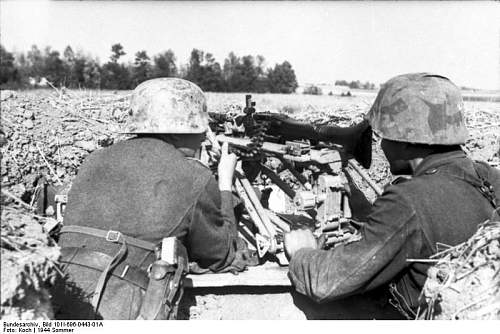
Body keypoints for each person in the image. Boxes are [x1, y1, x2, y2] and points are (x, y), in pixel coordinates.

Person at [284, 73, 500, 318]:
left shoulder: (408, 200)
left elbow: (326, 283)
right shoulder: (488, 177)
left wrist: (302, 253)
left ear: (407, 140)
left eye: (386, 136)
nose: (382, 146)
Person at [52, 78, 248, 320]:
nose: (204, 138)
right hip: (124, 309)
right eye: (199, 129)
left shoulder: (95, 159)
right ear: (178, 132)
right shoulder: (192, 175)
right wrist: (224, 184)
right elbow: (221, 255)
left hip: (59, 297)